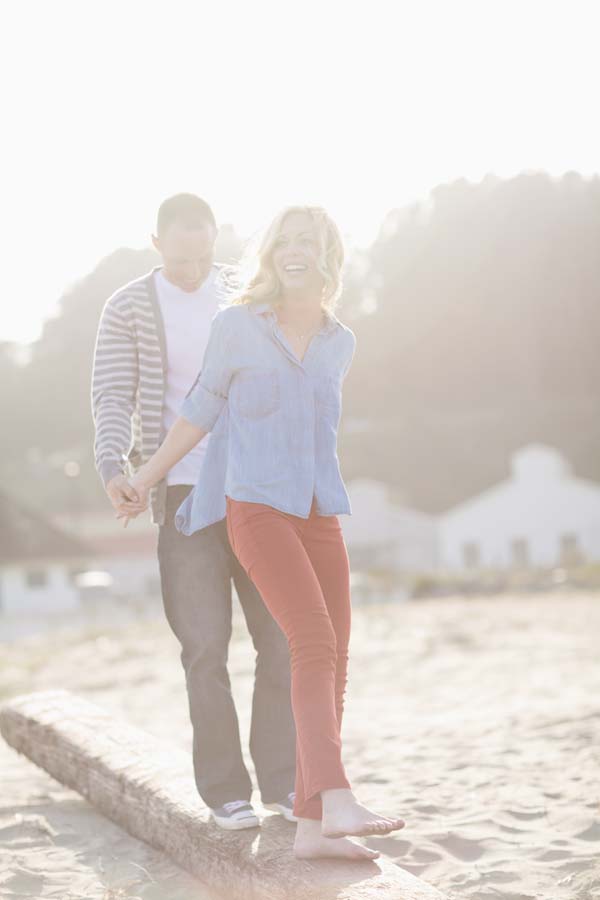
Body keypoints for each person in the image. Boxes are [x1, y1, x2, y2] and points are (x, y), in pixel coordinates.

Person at [117, 205, 405, 861]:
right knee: (309, 642)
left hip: (319, 510)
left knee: (336, 659)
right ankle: (334, 795)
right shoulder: (237, 326)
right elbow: (198, 413)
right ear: (270, 253)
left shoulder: (340, 342)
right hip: (255, 508)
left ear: (327, 256)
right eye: (285, 241)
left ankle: (309, 828)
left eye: (309, 242)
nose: (294, 251)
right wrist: (147, 479)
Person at [91, 193, 297, 831]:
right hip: (180, 493)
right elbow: (110, 392)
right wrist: (112, 467)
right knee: (205, 648)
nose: (191, 254)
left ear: (214, 238)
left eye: (202, 241)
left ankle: (285, 785)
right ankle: (225, 793)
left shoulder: (246, 296)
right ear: (156, 242)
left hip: (256, 489)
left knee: (282, 640)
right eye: (178, 244)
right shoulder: (128, 306)